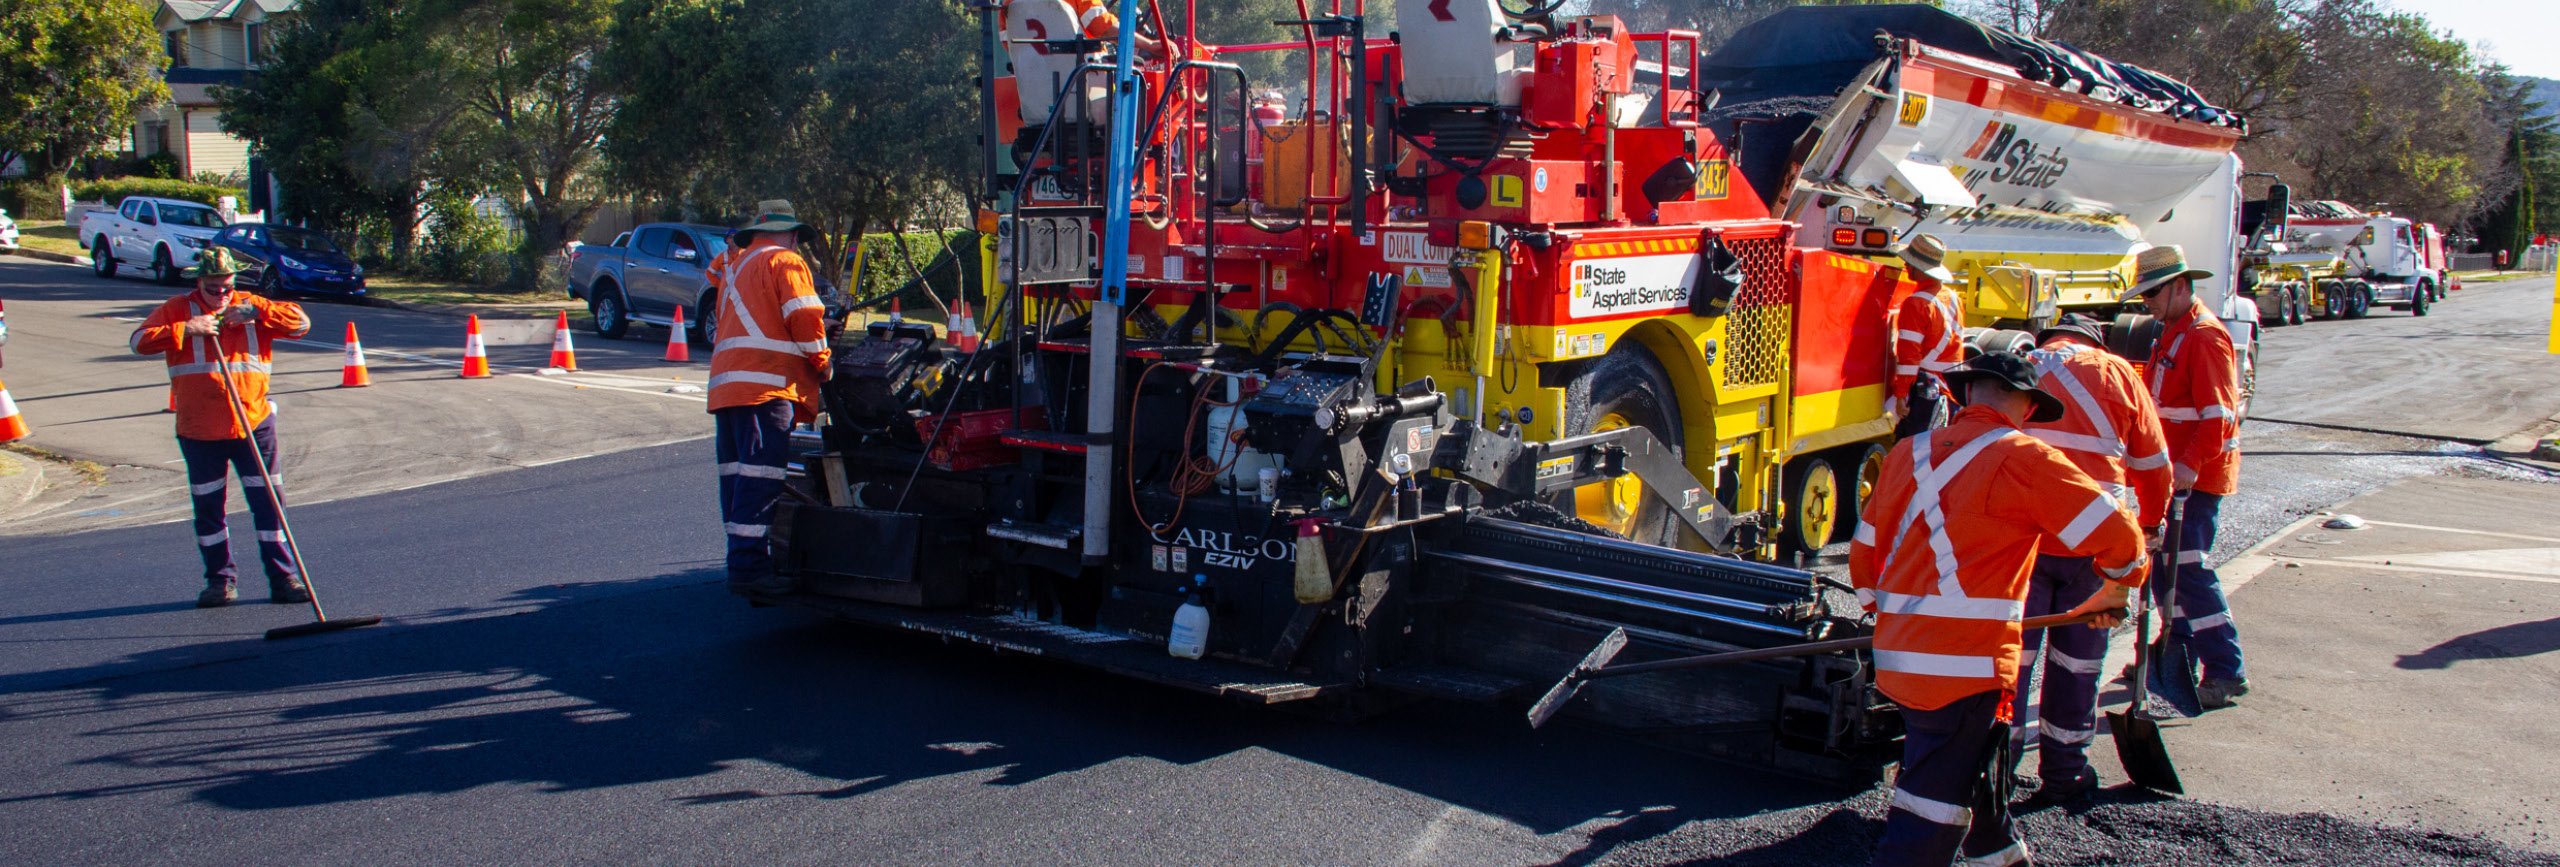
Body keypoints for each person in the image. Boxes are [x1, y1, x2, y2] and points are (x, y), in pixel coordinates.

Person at [1851, 352, 2150, 867]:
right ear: (2029, 407)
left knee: (1973, 770)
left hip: (1900, 660)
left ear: (1967, 395)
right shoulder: (2025, 458)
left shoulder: (1906, 452)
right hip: (1966, 670)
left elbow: (1863, 558)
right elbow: (2120, 535)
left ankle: (2002, 856)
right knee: (1928, 811)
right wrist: (2116, 590)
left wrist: (1896, 615)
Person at [2011, 313, 2173, 802]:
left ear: (2050, 339)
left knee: (2011, 663)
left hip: (2027, 545)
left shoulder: (2023, 369)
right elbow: (2154, 466)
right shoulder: (2121, 374)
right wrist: (2150, 525)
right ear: (2096, 341)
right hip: (2097, 551)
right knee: (2078, 664)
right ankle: (2064, 774)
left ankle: (1994, 769)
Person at [128, 248, 314, 607]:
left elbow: (301, 324)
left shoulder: (251, 304)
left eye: (227, 287)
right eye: (214, 288)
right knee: (209, 508)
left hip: (253, 424)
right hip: (200, 430)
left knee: (269, 505)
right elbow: (138, 342)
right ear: (199, 282)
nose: (222, 295)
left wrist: (257, 311)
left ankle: (284, 578)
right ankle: (220, 581)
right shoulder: (177, 309)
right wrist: (185, 329)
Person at [2120, 244, 2249, 708]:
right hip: (2175, 476)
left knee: (2189, 572)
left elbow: (2219, 416)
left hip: (2195, 479)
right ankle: (2177, 656)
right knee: (2166, 573)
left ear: (2180, 286)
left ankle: (2225, 670)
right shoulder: (2173, 330)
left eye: (2153, 292)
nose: (2147, 302)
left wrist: (2189, 467)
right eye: (2144, 294)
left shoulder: (2203, 336)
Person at [708, 200, 833, 595]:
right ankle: (749, 570)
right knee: (761, 479)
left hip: (727, 389)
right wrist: (824, 362)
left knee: (737, 479)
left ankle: (742, 562)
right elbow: (804, 319)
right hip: (764, 388)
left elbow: (755, 314)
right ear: (793, 234)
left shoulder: (736, 266)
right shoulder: (786, 262)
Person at [1889, 234, 1964, 441]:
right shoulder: (1953, 297)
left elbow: (1909, 357)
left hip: (1925, 391)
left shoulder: (1916, 304)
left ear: (1919, 267)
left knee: (1912, 449)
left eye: (1910, 262)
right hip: (1948, 387)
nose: (1905, 265)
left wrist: (1901, 396)